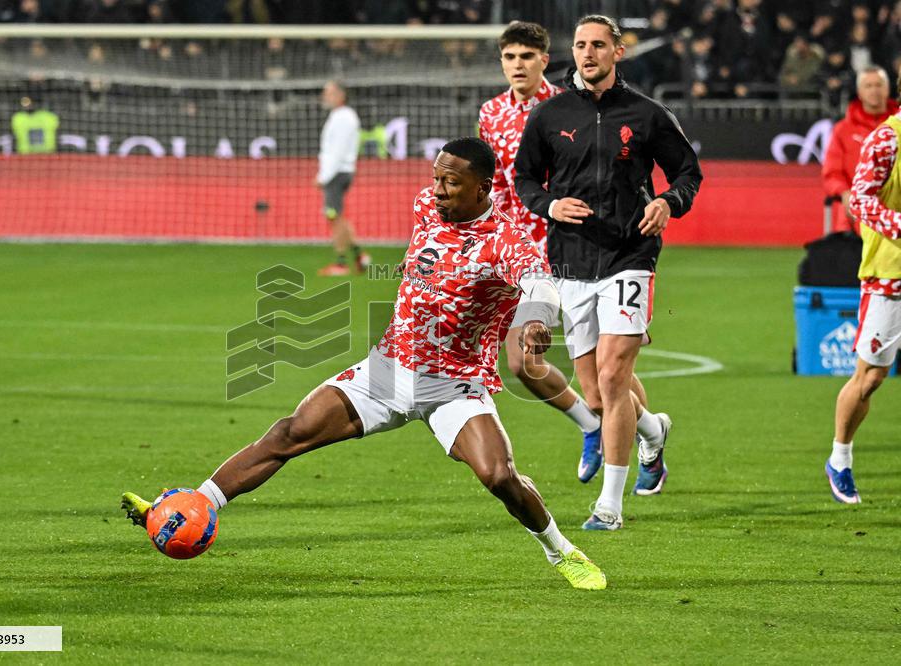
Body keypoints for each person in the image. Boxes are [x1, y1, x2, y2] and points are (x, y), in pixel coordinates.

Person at [123, 137, 607, 590]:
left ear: (482, 188)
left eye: (451, 182)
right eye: (436, 178)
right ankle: (188, 507)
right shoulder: (427, 206)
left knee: (499, 476)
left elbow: (540, 283)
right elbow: (429, 257)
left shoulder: (505, 239)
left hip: (453, 384)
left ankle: (560, 551)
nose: (438, 190)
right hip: (388, 368)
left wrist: (536, 319)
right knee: (289, 433)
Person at [515, 15, 703, 530]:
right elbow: (524, 178)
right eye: (580, 45)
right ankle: (653, 432)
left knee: (614, 375)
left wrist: (667, 201)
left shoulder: (646, 114)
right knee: (596, 394)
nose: (588, 53)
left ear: (618, 52)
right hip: (571, 260)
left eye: (598, 44)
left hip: (630, 255)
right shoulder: (549, 115)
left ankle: (610, 506)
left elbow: (688, 172)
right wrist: (549, 206)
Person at [479, 21, 607, 482]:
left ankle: (649, 435)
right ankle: (594, 427)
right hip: (517, 256)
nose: (518, 65)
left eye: (527, 57)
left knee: (604, 366)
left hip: (566, 248)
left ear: (544, 61)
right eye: (510, 57)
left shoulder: (569, 107)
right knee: (521, 362)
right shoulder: (491, 113)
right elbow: (494, 184)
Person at [824, 93, 901, 504]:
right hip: (891, 275)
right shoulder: (887, 139)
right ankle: (840, 458)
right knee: (870, 376)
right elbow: (860, 199)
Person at [822, 66, 899, 232]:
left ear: (888, 89)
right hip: (854, 216)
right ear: (859, 92)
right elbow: (832, 173)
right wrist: (844, 193)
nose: (874, 90)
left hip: (895, 212)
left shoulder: (898, 126)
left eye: (878, 85)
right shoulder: (843, 130)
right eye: (868, 86)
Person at [315, 80, 369, 276]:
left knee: (334, 217)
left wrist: (323, 176)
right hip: (340, 171)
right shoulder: (341, 116)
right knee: (337, 216)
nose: (325, 96)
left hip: (336, 173)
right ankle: (359, 255)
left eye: (328, 92)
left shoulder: (344, 118)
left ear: (341, 95)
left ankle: (341, 264)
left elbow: (336, 151)